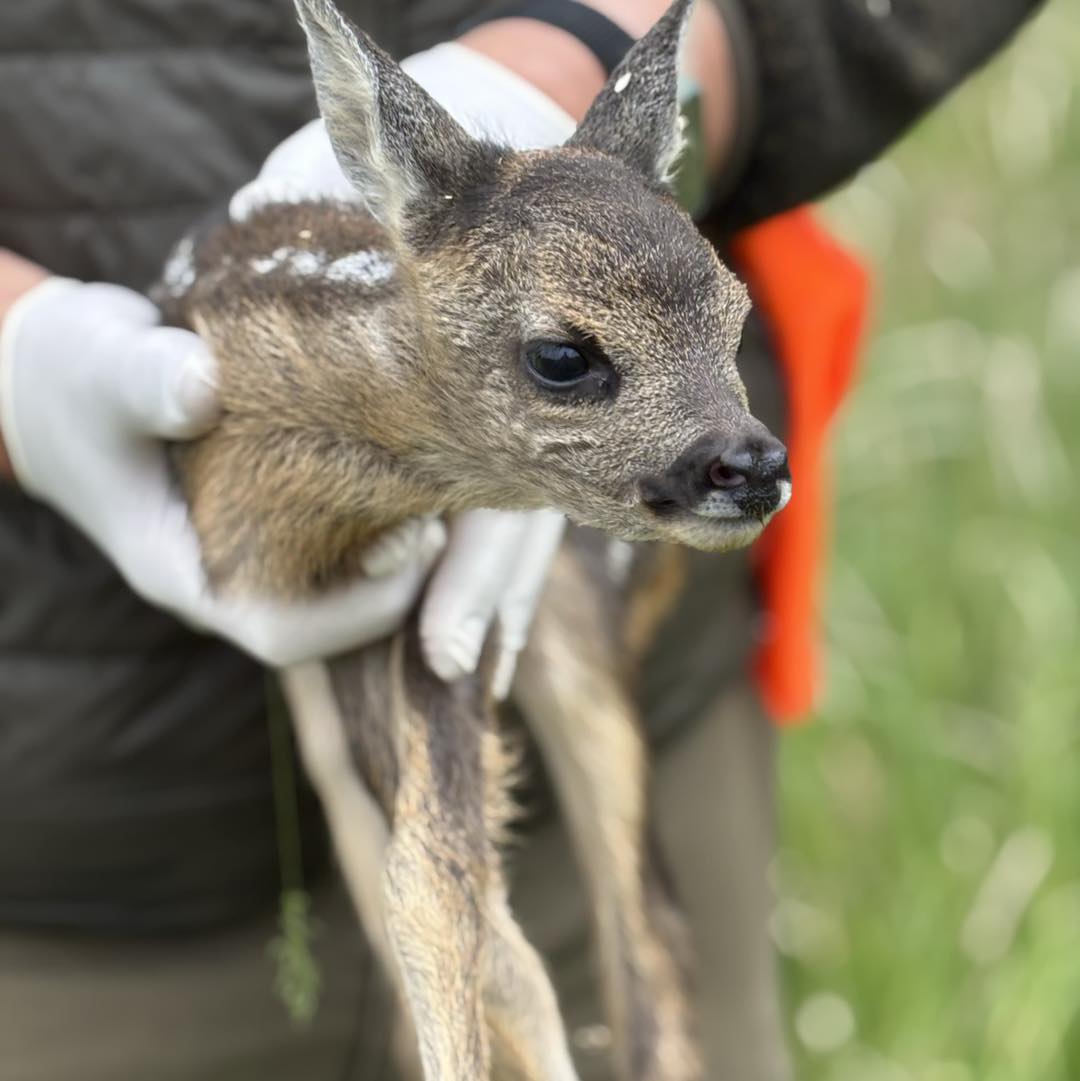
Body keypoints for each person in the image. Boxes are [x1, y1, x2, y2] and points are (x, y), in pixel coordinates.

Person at [0, 2, 1042, 1079]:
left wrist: (575, 51)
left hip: (616, 703)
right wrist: (13, 355)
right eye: (562, 361)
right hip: (71, 872)